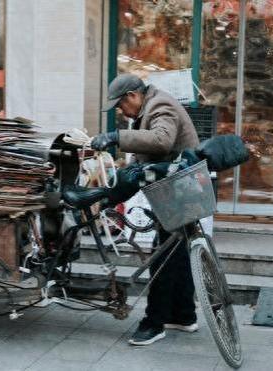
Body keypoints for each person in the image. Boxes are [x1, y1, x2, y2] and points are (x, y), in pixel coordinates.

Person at [92, 73, 200, 346]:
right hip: (176, 188)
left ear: (133, 96)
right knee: (175, 252)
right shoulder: (150, 105)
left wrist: (117, 136)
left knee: (163, 258)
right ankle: (184, 315)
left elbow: (162, 140)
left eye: (121, 105)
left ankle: (154, 322)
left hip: (179, 190)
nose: (121, 111)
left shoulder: (160, 105)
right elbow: (146, 157)